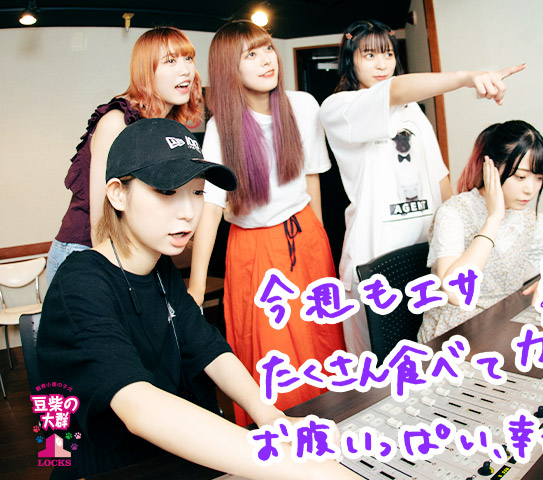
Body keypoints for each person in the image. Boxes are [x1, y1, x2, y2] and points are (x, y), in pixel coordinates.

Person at [37, 119, 360, 480]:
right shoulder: (79, 283)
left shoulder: (160, 268)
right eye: (167, 191)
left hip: (176, 461)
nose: (188, 213)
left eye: (196, 192)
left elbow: (208, 348)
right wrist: (298, 467)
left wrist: (270, 416)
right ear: (118, 195)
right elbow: (138, 407)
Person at [319, 19, 526, 356]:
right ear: (349, 60)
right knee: (378, 366)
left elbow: (439, 179)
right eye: (369, 55)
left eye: (388, 54)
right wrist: (466, 78)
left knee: (426, 354)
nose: (382, 64)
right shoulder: (339, 108)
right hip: (375, 261)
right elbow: (395, 89)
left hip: (427, 256)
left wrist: (462, 240)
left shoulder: (413, 111)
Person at [188, 20, 345, 426]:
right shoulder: (221, 128)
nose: (266, 61)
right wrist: (195, 287)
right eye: (251, 54)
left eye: (268, 49)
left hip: (306, 237)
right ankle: (283, 446)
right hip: (253, 250)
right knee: (271, 357)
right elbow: (211, 208)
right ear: (230, 68)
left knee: (322, 342)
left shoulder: (303, 105)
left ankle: (333, 435)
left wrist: (322, 245)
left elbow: (312, 181)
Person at [46, 26, 202, 284]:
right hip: (86, 254)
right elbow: (100, 224)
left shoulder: (164, 126)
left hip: (134, 255)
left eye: (188, 58)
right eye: (170, 61)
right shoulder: (117, 122)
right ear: (146, 70)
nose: (185, 70)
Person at [417, 120, 543, 343]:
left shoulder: (528, 218)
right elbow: (455, 293)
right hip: (453, 335)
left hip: (503, 328)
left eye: (539, 178)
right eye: (521, 177)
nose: (530, 189)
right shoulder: (454, 212)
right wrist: (494, 218)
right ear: (490, 167)